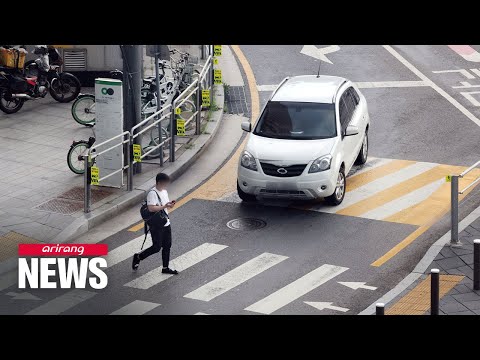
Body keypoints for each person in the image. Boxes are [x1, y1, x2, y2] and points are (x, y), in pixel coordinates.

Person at [132, 173, 178, 274]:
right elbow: (151, 208)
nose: (166, 185)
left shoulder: (164, 192)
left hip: (165, 222)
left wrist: (169, 205)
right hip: (156, 224)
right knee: (156, 247)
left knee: (167, 245)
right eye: (164, 183)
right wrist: (164, 206)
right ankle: (138, 257)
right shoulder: (152, 193)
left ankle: (165, 268)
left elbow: (164, 205)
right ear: (158, 182)